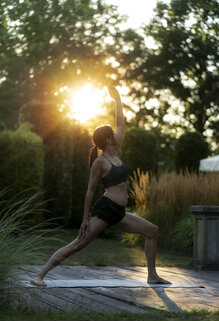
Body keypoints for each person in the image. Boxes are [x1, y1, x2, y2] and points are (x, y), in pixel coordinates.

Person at [31, 86, 170, 286]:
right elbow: (90, 191)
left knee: (153, 231)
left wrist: (117, 99)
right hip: (105, 210)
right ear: (107, 138)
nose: (115, 132)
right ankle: (40, 275)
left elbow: (121, 123)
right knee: (77, 245)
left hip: (119, 212)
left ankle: (152, 275)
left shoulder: (116, 151)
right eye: (111, 133)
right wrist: (85, 218)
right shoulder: (100, 162)